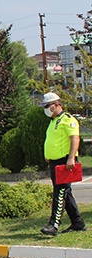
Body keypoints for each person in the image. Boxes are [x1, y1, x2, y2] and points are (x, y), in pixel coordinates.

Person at [40, 92, 87, 236]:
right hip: (55, 162)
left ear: (57, 104)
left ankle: (53, 225)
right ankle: (77, 222)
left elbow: (74, 138)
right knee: (65, 193)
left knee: (59, 193)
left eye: (48, 106)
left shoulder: (68, 120)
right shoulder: (54, 121)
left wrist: (71, 157)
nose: (46, 109)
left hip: (65, 162)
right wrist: (48, 156)